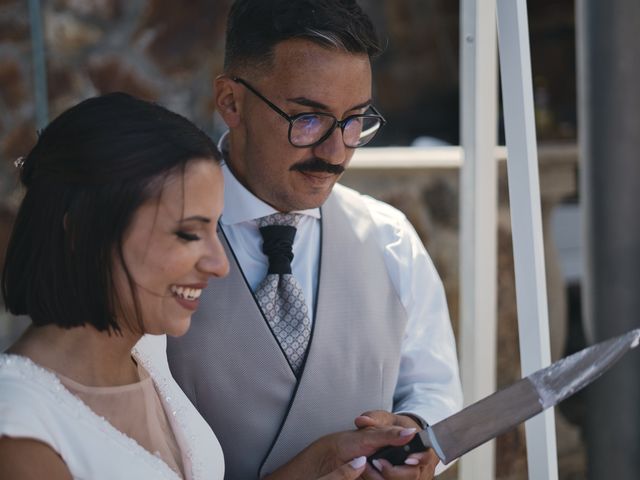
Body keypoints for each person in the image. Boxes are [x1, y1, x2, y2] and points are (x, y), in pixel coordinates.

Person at [0, 93, 414, 480]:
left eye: (214, 229)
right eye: (186, 234)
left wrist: (319, 464)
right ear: (83, 233)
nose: (219, 265)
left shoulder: (149, 355)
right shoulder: (19, 431)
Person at [166, 1, 464, 479]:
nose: (335, 151)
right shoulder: (158, 235)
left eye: (354, 121)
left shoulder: (391, 240)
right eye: (307, 118)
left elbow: (434, 389)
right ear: (231, 102)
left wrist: (413, 434)